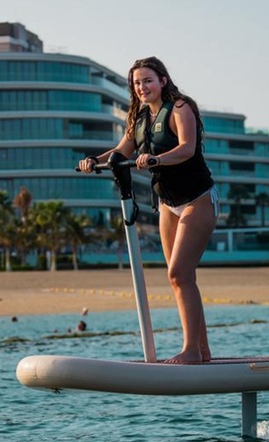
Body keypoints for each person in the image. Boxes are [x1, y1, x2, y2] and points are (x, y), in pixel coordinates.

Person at [78, 56, 218, 364]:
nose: (142, 87)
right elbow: (119, 153)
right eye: (137, 83)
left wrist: (156, 160)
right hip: (168, 204)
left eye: (147, 81)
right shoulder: (139, 119)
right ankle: (201, 350)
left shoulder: (180, 108)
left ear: (162, 81)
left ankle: (192, 350)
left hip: (198, 199)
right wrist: (93, 161)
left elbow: (186, 148)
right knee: (180, 278)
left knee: (179, 272)